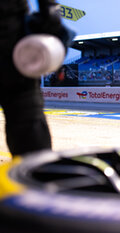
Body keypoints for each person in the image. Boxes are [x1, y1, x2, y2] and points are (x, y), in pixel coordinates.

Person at [0, 0, 73, 155]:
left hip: (13, 41)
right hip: (12, 37)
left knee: (29, 130)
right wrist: (50, 6)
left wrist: (49, 6)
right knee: (29, 127)